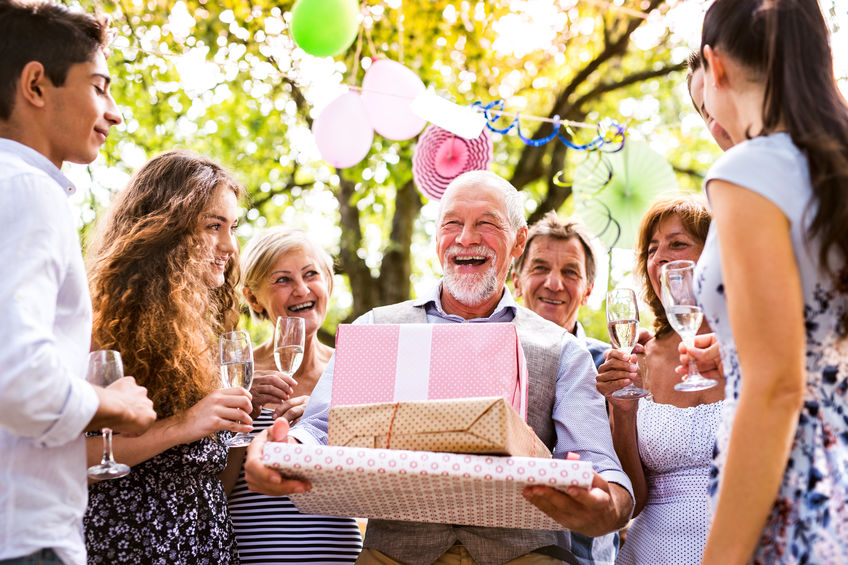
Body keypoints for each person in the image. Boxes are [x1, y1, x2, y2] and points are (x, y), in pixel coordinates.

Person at [244, 170, 634, 565]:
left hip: (524, 555)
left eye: (486, 223)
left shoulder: (563, 349)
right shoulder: (378, 327)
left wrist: (612, 504)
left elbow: (597, 462)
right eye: (452, 223)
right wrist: (283, 448)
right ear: (436, 239)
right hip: (394, 555)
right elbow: (319, 429)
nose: (466, 238)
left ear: (519, 240)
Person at [0, 2, 156, 563]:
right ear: (36, 84)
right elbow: (17, 377)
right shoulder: (26, 191)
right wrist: (113, 406)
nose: (115, 113)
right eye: (100, 87)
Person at [695, 0, 848, 562]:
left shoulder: (748, 170)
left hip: (790, 471)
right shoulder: (833, 166)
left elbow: (778, 386)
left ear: (717, 68)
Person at [82, 150, 255, 563]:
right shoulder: (101, 323)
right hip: (134, 542)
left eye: (232, 227)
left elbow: (206, 464)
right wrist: (184, 425)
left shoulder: (202, 324)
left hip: (205, 542)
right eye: (214, 226)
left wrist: (235, 411)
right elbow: (72, 458)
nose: (230, 245)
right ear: (164, 228)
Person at [594, 196, 723, 564]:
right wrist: (621, 409)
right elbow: (632, 499)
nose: (660, 257)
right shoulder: (641, 359)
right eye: (652, 250)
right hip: (653, 550)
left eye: (677, 243)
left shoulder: (758, 347)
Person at [225, 226, 363, 563]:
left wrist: (314, 436)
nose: (302, 290)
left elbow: (372, 487)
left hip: (337, 557)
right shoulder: (235, 372)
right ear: (253, 298)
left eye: (311, 274)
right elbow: (214, 488)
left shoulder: (354, 368)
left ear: (327, 281)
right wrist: (242, 421)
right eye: (283, 280)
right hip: (253, 555)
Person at [512, 212, 609, 369]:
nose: (554, 285)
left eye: (570, 272)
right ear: (517, 283)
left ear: (587, 291)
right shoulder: (492, 358)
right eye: (540, 268)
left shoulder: (612, 369)